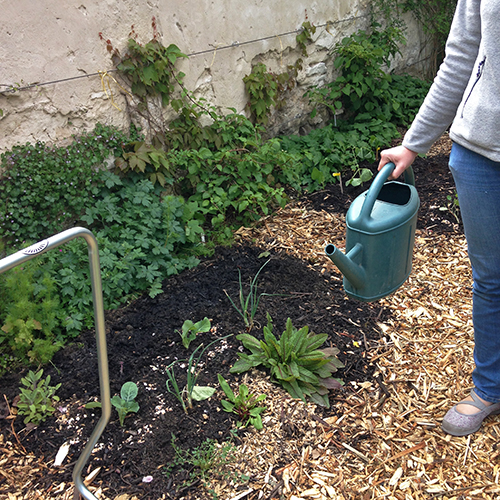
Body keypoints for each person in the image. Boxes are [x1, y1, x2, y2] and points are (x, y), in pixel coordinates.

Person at [378, 0, 500, 436]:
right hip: (481, 154)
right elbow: (462, 57)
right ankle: (490, 387)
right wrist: (414, 143)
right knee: (491, 279)